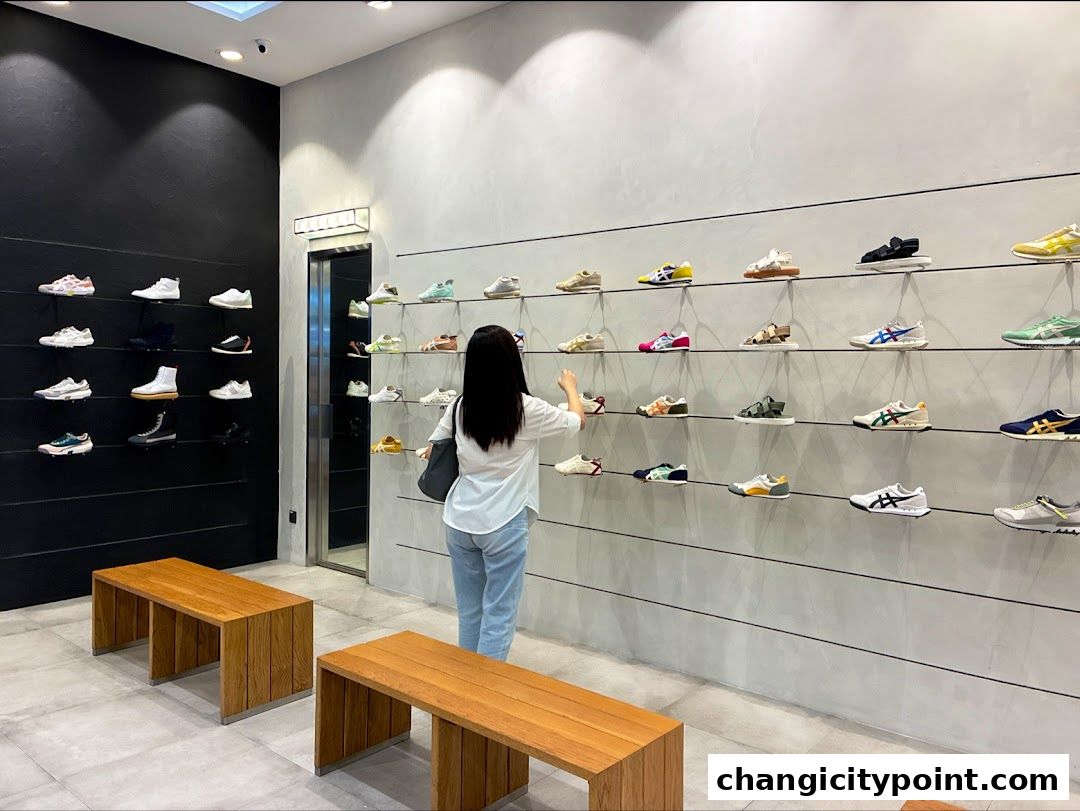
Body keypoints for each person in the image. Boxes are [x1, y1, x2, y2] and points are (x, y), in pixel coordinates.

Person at [420, 325, 585, 660]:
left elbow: (433, 445)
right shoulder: (527, 409)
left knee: (470, 612)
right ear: (513, 362)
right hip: (504, 522)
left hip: (459, 520)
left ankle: (466, 695)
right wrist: (570, 388)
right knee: (499, 613)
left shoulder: (459, 406)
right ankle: (483, 699)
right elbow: (576, 421)